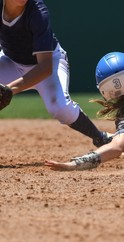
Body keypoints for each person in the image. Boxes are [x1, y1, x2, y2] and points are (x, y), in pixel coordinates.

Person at [0, 0, 111, 147]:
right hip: (10, 61)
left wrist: (9, 90)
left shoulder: (37, 12)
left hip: (49, 63)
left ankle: (100, 137)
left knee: (60, 107)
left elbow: (45, 67)